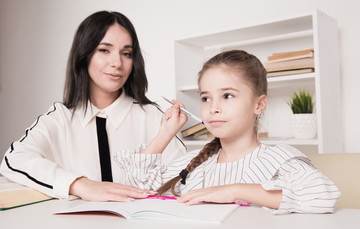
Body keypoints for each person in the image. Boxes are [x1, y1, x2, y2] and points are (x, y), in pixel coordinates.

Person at [114, 50, 341, 214]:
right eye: (205, 98)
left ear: (259, 105)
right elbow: (136, 189)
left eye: (228, 96)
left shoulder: (278, 159)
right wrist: (165, 134)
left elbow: (322, 197)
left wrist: (233, 191)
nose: (213, 107)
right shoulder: (194, 165)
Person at [0, 11, 186, 202]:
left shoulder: (155, 117)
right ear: (84, 55)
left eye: (126, 53)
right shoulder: (60, 117)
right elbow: (13, 160)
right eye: (104, 50)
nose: (117, 63)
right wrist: (79, 185)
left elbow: (184, 180)